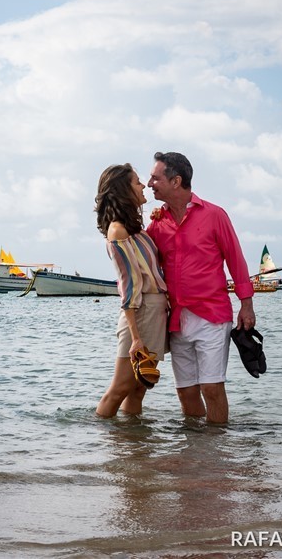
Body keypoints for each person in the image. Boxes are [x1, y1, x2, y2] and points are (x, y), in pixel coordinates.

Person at [146, 151, 256, 424]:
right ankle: (196, 455)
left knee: (211, 387)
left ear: (176, 181)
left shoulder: (215, 215)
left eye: (155, 178)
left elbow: (236, 259)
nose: (150, 183)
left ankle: (216, 451)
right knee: (185, 392)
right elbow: (143, 256)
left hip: (212, 315)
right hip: (177, 319)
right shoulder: (158, 223)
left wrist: (246, 304)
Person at [94, 163, 168, 418]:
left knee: (139, 389)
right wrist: (135, 337)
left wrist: (161, 219)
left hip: (154, 310)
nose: (144, 185)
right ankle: (102, 443)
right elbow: (129, 285)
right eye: (137, 181)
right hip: (141, 311)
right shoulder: (118, 230)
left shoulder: (135, 229)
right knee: (119, 389)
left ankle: (131, 448)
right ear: (124, 190)